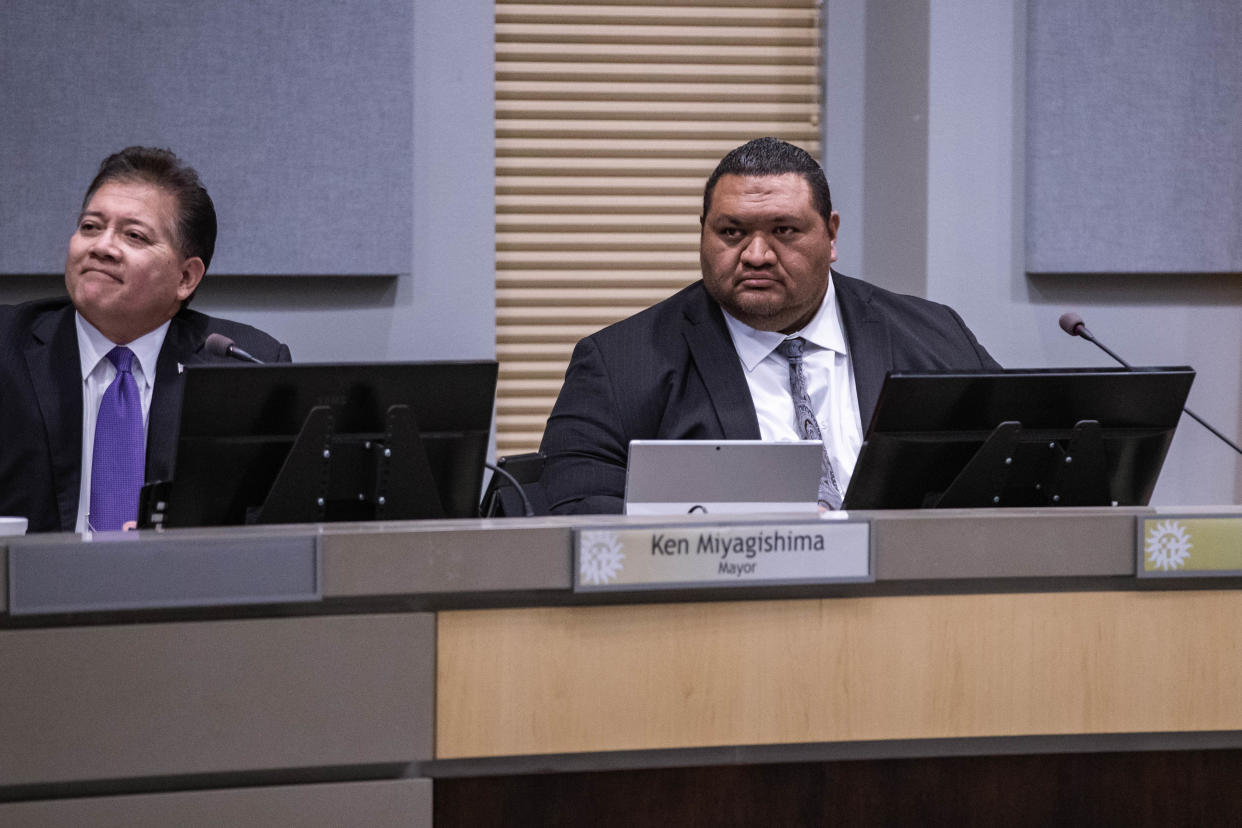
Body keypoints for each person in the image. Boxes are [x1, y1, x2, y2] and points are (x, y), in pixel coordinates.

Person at [539, 137, 999, 514]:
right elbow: (575, 509)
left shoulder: (935, 336)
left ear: (831, 234)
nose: (756, 255)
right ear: (703, 232)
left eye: (784, 231)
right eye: (732, 232)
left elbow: (1012, 471)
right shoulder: (621, 364)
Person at [0, 146, 290, 533]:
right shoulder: (8, 348)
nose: (101, 246)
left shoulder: (244, 367)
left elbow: (267, 525)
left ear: (186, 278)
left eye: (133, 235)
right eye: (90, 227)